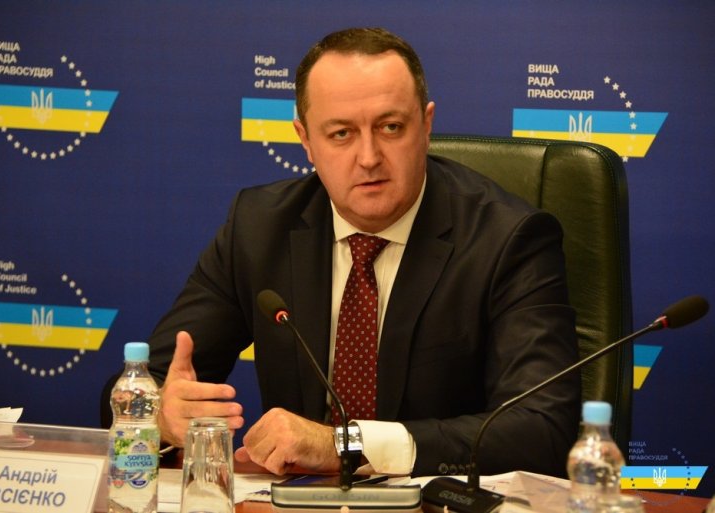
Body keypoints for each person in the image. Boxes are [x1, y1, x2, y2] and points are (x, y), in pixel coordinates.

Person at [146, 27, 580, 478]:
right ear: (305, 141)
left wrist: (346, 445)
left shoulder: (508, 240)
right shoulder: (258, 229)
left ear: (426, 125)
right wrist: (160, 413)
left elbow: (543, 430)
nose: (369, 157)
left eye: (391, 127)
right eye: (341, 134)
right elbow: (144, 383)